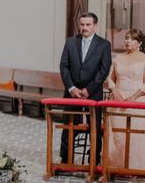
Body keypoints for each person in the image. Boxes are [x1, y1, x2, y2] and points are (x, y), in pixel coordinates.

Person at [59, 12, 112, 165]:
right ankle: (65, 161)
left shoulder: (104, 45)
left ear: (95, 26)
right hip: (72, 94)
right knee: (68, 127)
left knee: (94, 129)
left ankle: (94, 162)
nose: (84, 28)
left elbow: (104, 70)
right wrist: (71, 88)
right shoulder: (70, 42)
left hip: (93, 94)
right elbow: (64, 66)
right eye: (82, 24)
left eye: (88, 24)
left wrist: (88, 89)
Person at [105, 28, 145, 170]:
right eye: (127, 38)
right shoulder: (118, 58)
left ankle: (135, 167)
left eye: (131, 39)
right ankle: (115, 166)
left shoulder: (144, 59)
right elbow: (110, 78)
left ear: (139, 43)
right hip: (117, 99)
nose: (128, 41)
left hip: (137, 100)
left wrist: (132, 98)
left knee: (135, 136)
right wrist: (114, 91)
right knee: (118, 135)